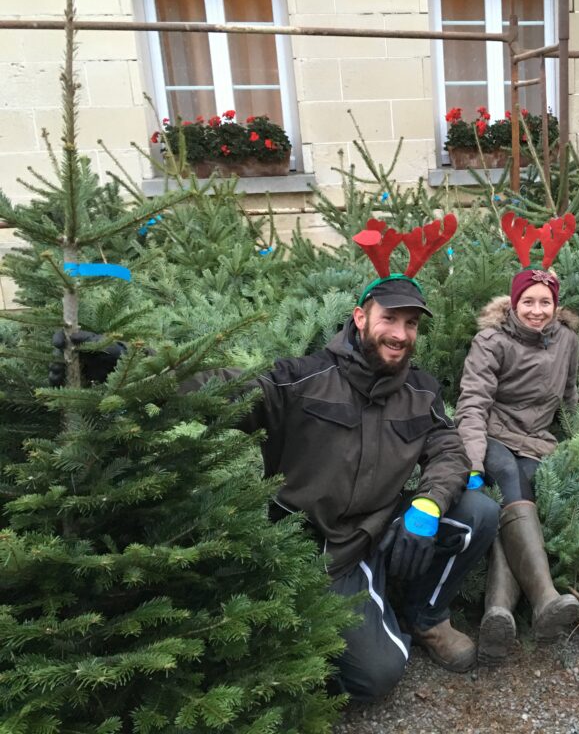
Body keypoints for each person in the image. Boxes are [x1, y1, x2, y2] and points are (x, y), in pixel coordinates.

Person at [53, 275, 500, 702]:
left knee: (478, 510)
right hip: (326, 550)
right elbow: (224, 387)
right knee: (376, 676)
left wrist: (428, 501)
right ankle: (371, 614)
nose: (401, 334)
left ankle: (426, 619)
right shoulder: (302, 378)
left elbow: (449, 451)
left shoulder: (420, 389)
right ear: (360, 317)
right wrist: (137, 367)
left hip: (385, 525)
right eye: (390, 319)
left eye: (411, 324)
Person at [455, 268, 579, 664]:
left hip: (536, 440)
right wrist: (474, 461)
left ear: (555, 305)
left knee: (525, 480)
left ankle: (498, 610)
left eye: (545, 302)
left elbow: (570, 392)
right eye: (528, 301)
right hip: (492, 433)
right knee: (509, 475)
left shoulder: (568, 341)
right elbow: (473, 402)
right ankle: (544, 596)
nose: (537, 310)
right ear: (514, 302)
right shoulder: (491, 341)